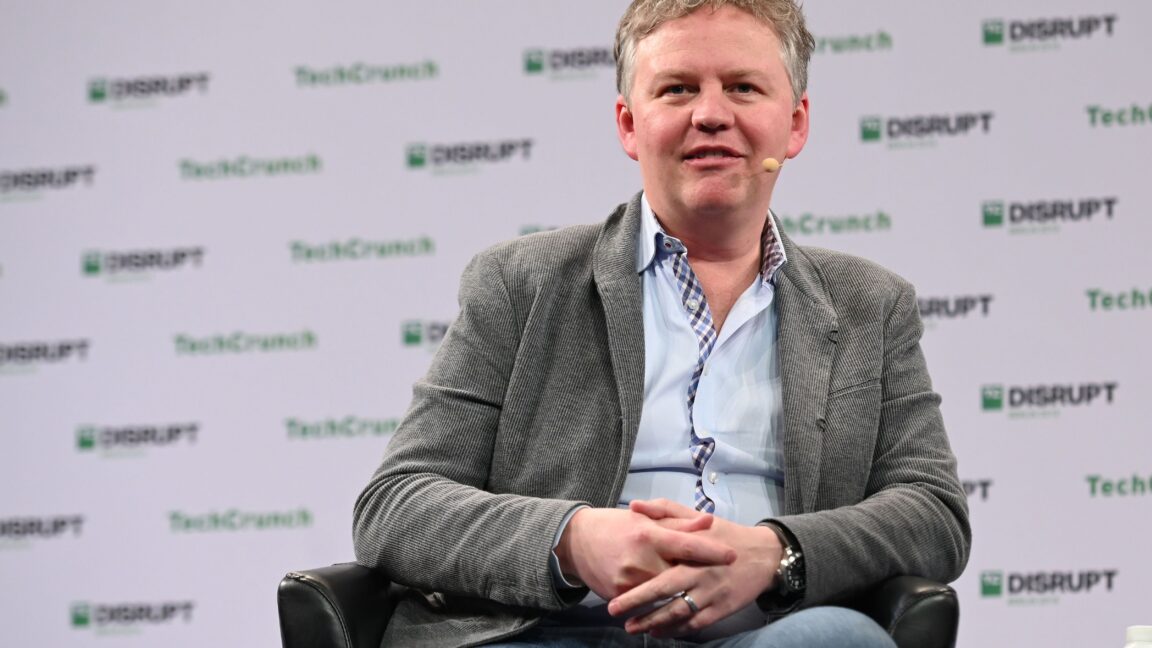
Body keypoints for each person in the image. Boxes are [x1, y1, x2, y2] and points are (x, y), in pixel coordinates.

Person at [353, 1, 970, 646]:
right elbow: (396, 505)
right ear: (628, 124)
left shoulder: (871, 304)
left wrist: (777, 553)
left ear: (794, 125)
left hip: (769, 633)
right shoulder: (521, 283)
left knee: (837, 641)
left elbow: (933, 515)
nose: (710, 113)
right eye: (677, 89)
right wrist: (574, 540)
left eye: (743, 87)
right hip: (559, 630)